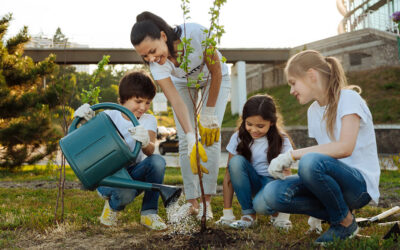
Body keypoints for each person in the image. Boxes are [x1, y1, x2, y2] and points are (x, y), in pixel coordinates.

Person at [253, 50, 380, 244]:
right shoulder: (313, 111)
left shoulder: (348, 98)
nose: (291, 90)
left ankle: (345, 223)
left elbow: (345, 148)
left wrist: (292, 155)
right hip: (335, 183)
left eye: (293, 83)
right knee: (272, 193)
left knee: (310, 162)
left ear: (311, 75)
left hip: (359, 186)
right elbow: (325, 156)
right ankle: (335, 213)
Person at [130, 11, 231, 220]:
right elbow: (176, 101)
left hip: (215, 79)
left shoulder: (196, 33)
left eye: (152, 51)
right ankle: (193, 202)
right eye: (145, 56)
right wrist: (192, 135)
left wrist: (209, 113)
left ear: (163, 36)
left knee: (211, 136)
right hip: (183, 84)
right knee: (186, 140)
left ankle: (206, 203)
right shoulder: (157, 65)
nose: (151, 59)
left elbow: (216, 72)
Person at [74, 70, 167, 230]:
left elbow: (150, 151)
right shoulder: (109, 116)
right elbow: (87, 143)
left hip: (133, 174)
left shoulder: (148, 120)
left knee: (158, 161)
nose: (143, 107)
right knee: (125, 194)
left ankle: (149, 213)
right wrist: (83, 121)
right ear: (121, 100)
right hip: (109, 175)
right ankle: (112, 205)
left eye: (147, 102)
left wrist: (145, 141)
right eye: (138, 101)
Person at [215, 94, 293, 229]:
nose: (254, 130)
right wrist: (227, 213)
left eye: (260, 126)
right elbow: (229, 175)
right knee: (235, 162)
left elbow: (286, 177)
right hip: (252, 183)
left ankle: (276, 214)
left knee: (260, 205)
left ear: (272, 122)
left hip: (273, 185)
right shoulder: (238, 137)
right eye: (249, 124)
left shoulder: (282, 140)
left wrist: (284, 218)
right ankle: (248, 215)